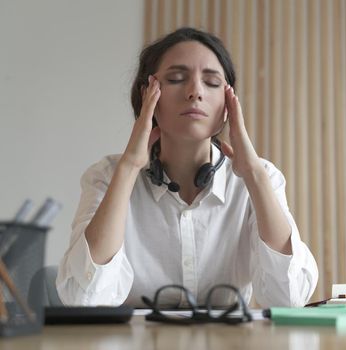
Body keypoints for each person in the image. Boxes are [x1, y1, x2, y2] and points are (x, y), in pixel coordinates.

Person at [57, 27, 318, 308]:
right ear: (148, 96)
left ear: (229, 104)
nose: (195, 92)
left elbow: (289, 299)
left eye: (212, 82)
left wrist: (254, 176)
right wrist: (129, 168)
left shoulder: (261, 177)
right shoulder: (106, 176)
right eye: (177, 79)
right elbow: (82, 300)